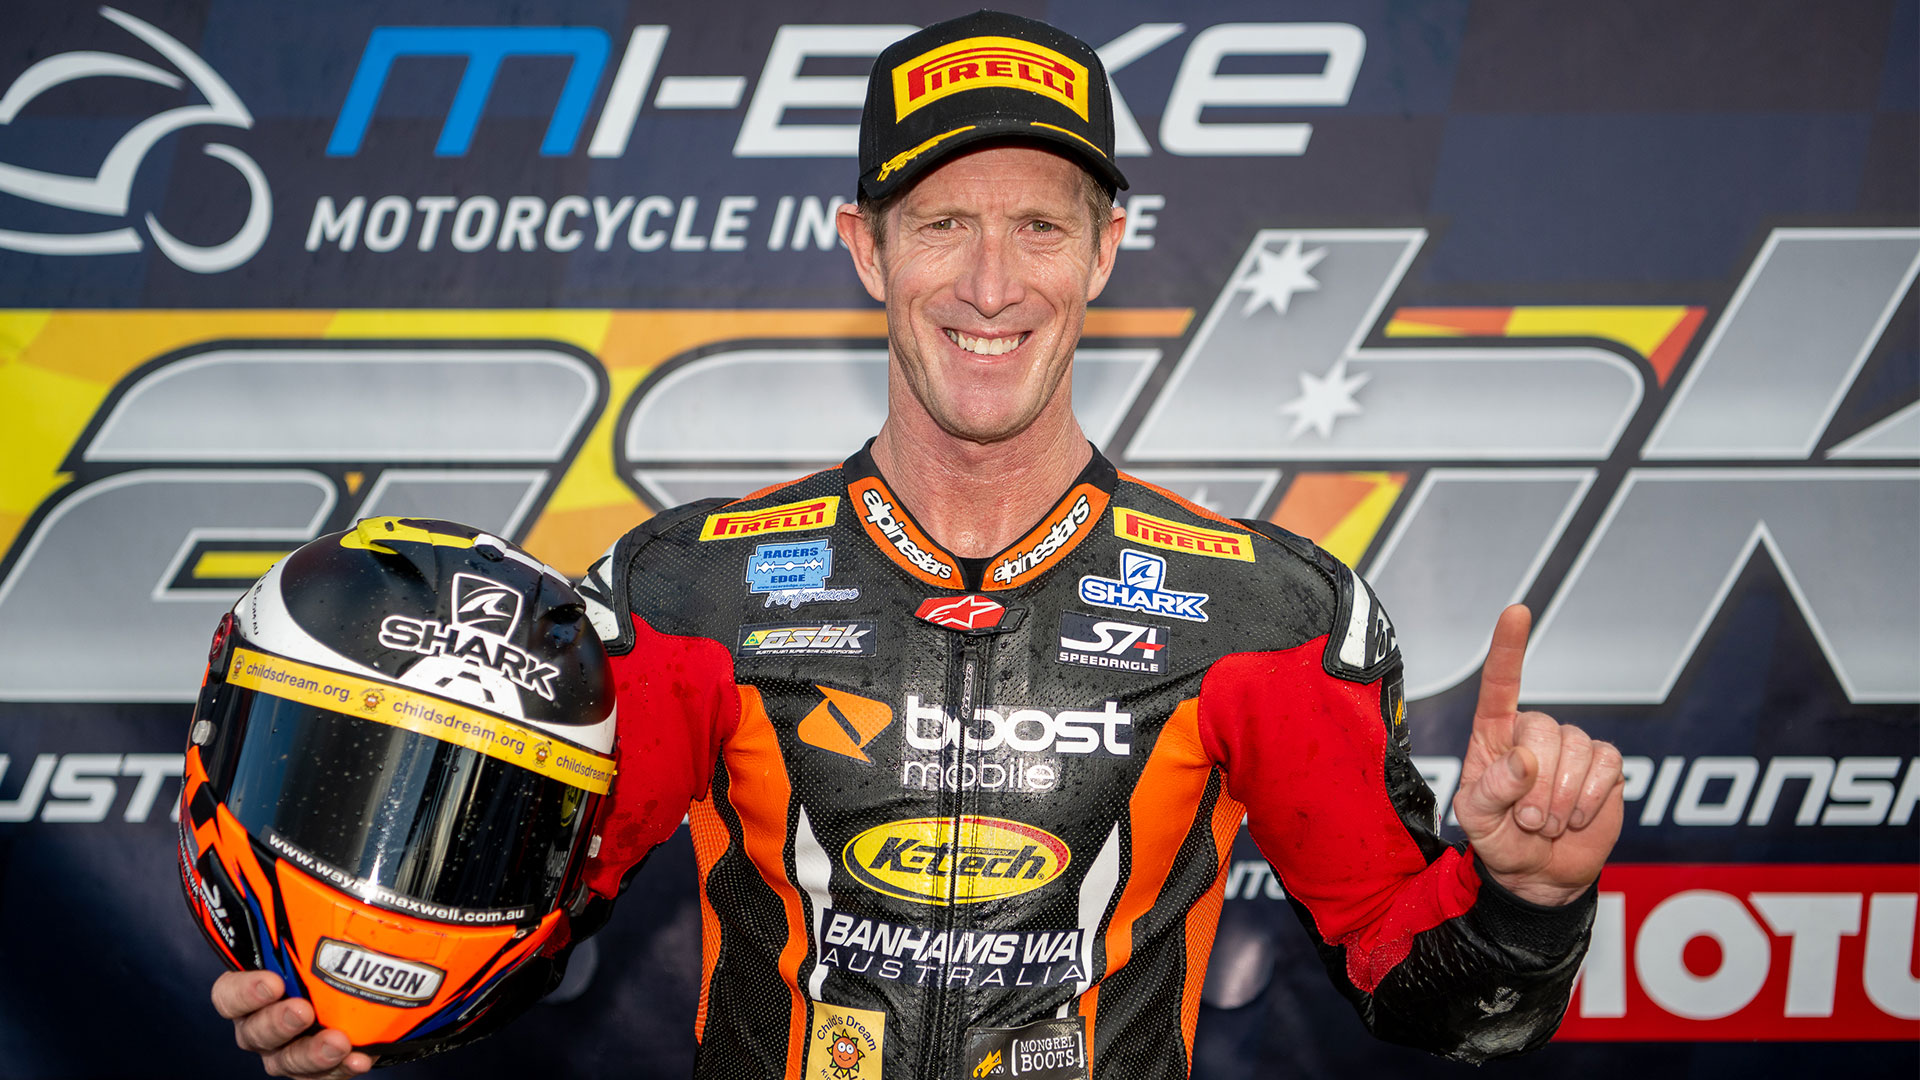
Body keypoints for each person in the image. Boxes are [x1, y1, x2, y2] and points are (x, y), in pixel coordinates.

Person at [214, 11, 1623, 1079]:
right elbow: (506, 927)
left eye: (1039, 226)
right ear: (865, 247)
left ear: (1107, 248)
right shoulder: (684, 594)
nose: (992, 284)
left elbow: (1442, 1004)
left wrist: (1530, 898)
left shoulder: (1268, 613)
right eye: (942, 223)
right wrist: (345, 1009)